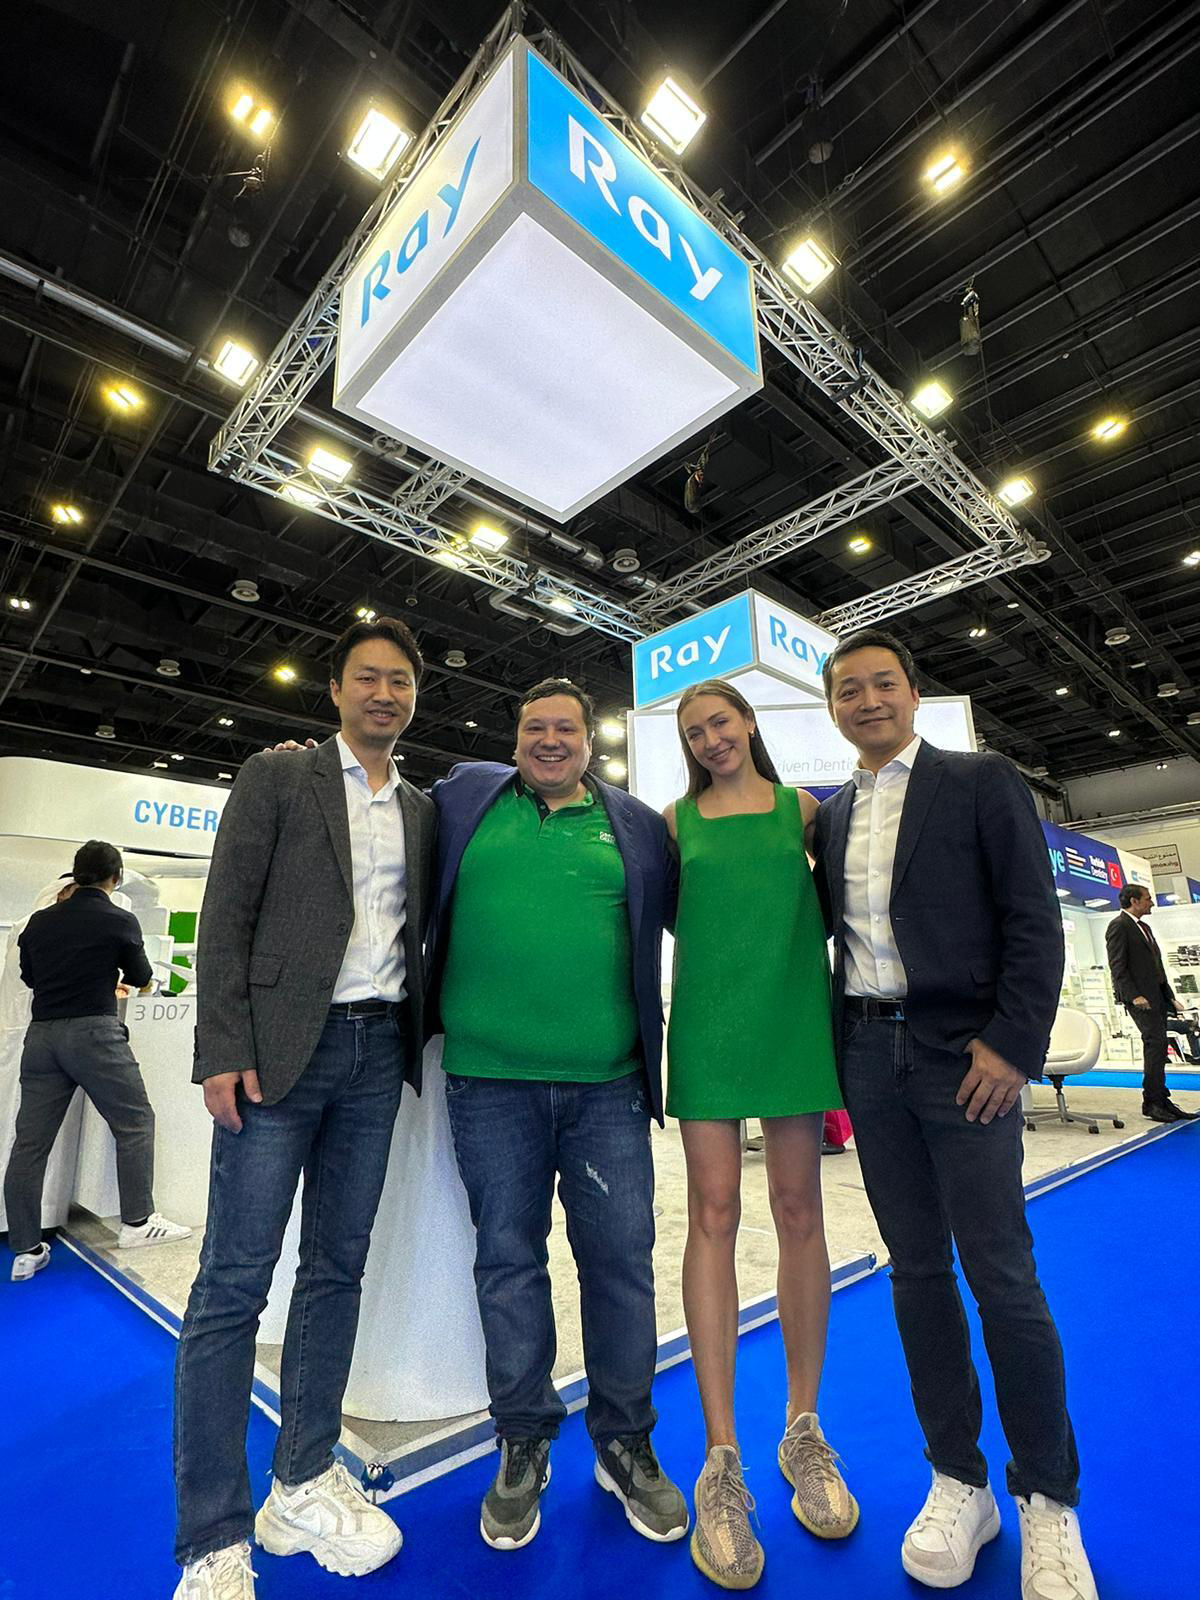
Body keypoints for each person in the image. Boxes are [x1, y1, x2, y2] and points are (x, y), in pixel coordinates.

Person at [814, 628, 1097, 1600]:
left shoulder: (980, 781)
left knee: (1002, 1274)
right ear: (833, 707)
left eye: (881, 683)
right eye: (848, 690)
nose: (866, 701)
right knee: (918, 1273)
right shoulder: (834, 816)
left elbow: (1033, 919)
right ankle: (958, 1480)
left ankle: (1049, 1499)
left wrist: (1013, 1042)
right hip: (869, 1057)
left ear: (912, 691)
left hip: (964, 1060)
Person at [172, 617, 433, 1600]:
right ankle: (212, 1537)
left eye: (400, 681)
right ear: (335, 689)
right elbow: (227, 914)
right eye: (367, 677)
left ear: (414, 697)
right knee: (232, 1284)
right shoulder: (279, 777)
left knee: (335, 1270)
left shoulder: (419, 810)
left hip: (375, 1053)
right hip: (279, 1057)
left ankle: (302, 1479)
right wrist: (222, 1048)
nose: (383, 693)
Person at [426, 678, 688, 1553]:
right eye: (534, 726)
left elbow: (706, 917)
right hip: (487, 1082)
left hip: (608, 1087)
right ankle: (524, 1440)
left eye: (566, 728)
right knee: (508, 1262)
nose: (549, 740)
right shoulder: (463, 800)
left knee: (621, 1263)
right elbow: (374, 810)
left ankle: (624, 1441)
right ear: (514, 738)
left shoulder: (636, 825)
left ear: (589, 741)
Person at [662, 679, 854, 1590]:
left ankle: (802, 1431)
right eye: (695, 731)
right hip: (707, 1024)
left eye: (721, 723)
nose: (711, 739)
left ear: (747, 723)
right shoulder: (674, 823)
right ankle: (721, 1458)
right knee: (713, 1214)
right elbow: (676, 915)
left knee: (798, 1211)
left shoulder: (803, 812)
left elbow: (840, 908)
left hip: (790, 1019)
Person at [4, 841, 190, 1282]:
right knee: (135, 1121)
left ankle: (26, 1249)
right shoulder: (119, 920)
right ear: (116, 877)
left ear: (76, 874)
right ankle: (138, 1222)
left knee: (29, 1145)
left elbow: (28, 976)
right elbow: (141, 976)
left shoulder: (38, 922)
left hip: (42, 1037)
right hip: (95, 1034)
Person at [1105, 885, 1195, 1122]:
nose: (1152, 902)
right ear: (1134, 901)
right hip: (1140, 999)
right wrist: (1134, 995)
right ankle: (1152, 1101)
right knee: (1155, 1044)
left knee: (1159, 1044)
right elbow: (1117, 966)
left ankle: (1161, 1099)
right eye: (1147, 899)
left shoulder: (1144, 927)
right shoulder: (1119, 925)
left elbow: (1156, 966)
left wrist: (1170, 996)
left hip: (1156, 997)